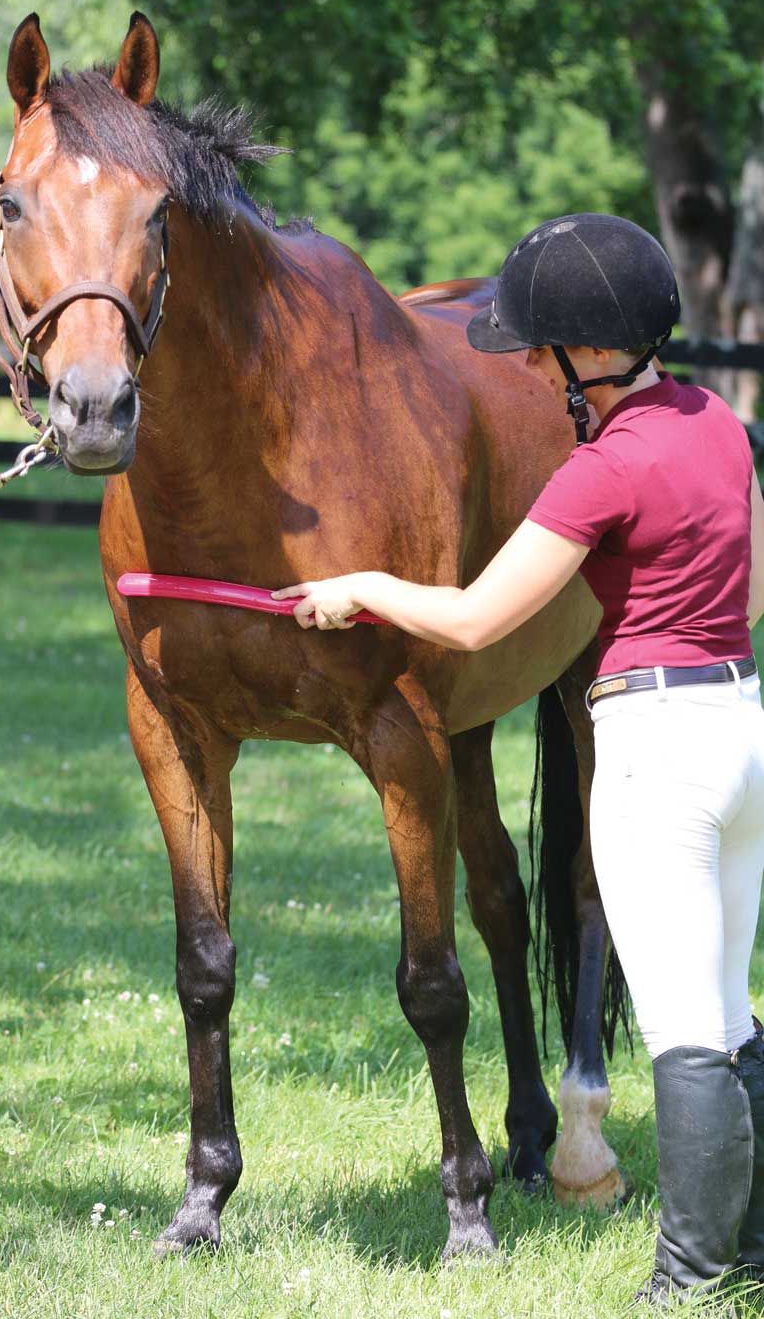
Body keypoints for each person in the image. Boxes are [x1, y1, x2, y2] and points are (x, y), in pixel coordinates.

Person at [271, 213, 764, 1307]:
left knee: (683, 1028)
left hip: (652, 749)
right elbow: (756, 594)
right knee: (731, 1011)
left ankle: (688, 1276)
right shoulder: (723, 427)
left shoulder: (602, 469)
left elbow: (472, 620)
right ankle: (755, 1245)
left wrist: (359, 588)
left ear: (589, 351)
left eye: (539, 352)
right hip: (740, 724)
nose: (532, 371)